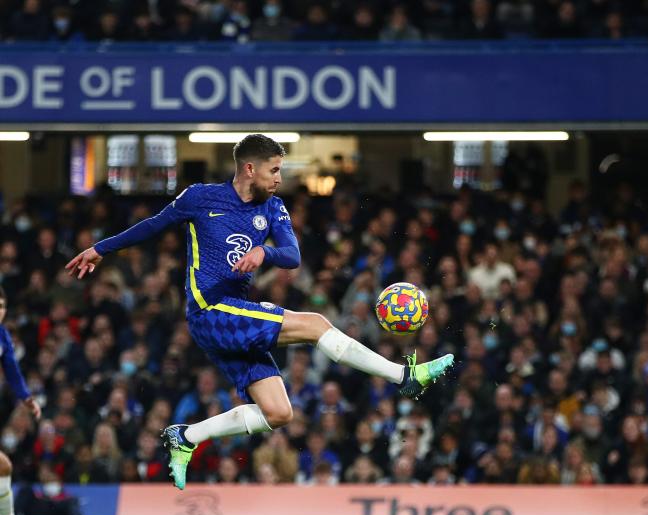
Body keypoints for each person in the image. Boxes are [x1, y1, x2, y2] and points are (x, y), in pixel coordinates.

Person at [67, 134, 454, 491]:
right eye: (274, 170)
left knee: (279, 412)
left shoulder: (273, 207)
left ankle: (186, 437)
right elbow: (152, 226)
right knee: (316, 324)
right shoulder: (200, 198)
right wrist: (101, 249)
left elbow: (293, 256)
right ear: (249, 169)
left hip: (236, 314)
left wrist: (263, 251)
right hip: (210, 309)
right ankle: (404, 376)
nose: (279, 178)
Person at [0, 286, 49, 515]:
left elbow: (12, 371)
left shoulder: (3, 336)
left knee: (3, 466)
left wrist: (27, 399)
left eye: (1, 306)